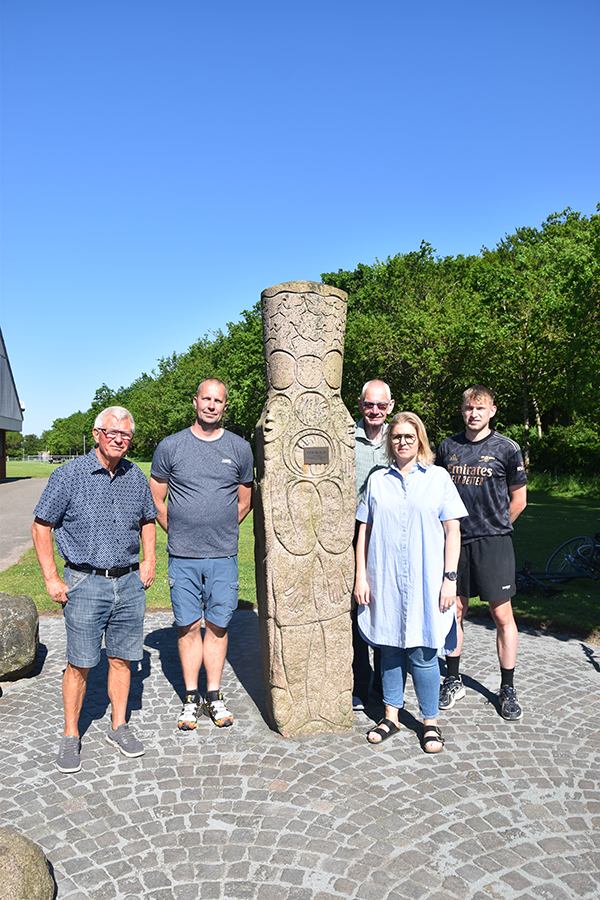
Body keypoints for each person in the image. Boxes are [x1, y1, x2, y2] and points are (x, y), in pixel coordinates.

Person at [31, 407, 157, 774]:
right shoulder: (68, 476)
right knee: (80, 663)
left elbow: (148, 520)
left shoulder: (136, 476)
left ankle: (119, 727)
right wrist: (52, 578)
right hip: (85, 583)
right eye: (113, 432)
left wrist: (149, 562)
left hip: (129, 583)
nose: (120, 439)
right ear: (97, 433)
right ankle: (71, 735)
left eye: (127, 435)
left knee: (122, 659)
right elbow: (41, 526)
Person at [354, 412, 467, 753]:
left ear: (420, 440)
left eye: (409, 436)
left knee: (423, 651)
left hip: (426, 580)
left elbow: (453, 532)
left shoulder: (438, 478)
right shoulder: (377, 481)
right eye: (397, 436)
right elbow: (364, 532)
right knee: (388, 650)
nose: (402, 441)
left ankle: (430, 722)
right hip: (384, 578)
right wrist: (361, 574)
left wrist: (450, 579)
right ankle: (391, 716)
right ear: (390, 441)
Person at [150, 378, 253, 732]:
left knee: (219, 626)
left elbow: (244, 501)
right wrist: (179, 531)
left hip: (223, 554)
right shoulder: (171, 446)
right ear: (195, 402)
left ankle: (214, 694)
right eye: (206, 399)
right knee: (189, 625)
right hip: (183, 555)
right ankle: (191, 698)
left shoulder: (240, 448)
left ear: (225, 406)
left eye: (218, 400)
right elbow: (156, 500)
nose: (211, 405)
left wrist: (219, 529)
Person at [435, 386, 527, 720]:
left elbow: (519, 499)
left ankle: (507, 687)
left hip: (493, 543)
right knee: (454, 610)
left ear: (492, 411)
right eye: (468, 408)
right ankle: (453, 678)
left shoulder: (507, 448)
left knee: (502, 615)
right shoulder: (447, 447)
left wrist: (497, 526)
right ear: (461, 411)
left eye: (480, 408)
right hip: (455, 541)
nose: (473, 413)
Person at [351, 379, 395, 711]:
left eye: (381, 405)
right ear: (361, 404)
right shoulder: (344, 438)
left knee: (383, 608)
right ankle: (358, 680)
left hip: (389, 534)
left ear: (390, 406)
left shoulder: (400, 438)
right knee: (354, 609)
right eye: (370, 405)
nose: (375, 411)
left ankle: (383, 683)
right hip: (352, 532)